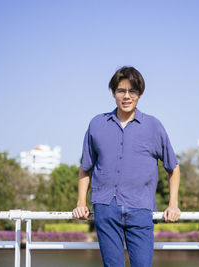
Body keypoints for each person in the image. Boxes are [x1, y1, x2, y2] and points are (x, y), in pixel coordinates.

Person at [72, 66, 180, 267]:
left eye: (133, 91)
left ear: (140, 94)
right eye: (121, 90)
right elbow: (85, 167)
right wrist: (81, 202)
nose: (127, 96)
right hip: (106, 208)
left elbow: (173, 168)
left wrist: (173, 204)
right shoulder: (97, 124)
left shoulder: (153, 126)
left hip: (141, 208)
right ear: (114, 93)